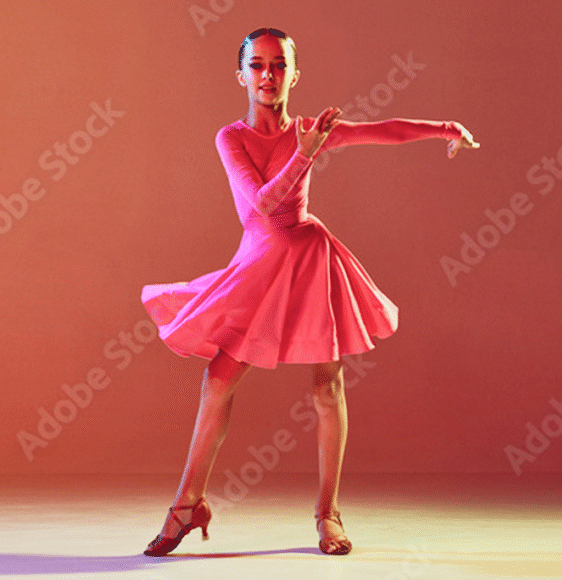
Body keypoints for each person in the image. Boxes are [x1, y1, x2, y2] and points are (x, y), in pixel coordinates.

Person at [140, 27, 480, 557]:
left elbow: (383, 131)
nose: (268, 75)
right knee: (219, 379)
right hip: (259, 264)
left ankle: (329, 515)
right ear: (241, 76)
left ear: (294, 75)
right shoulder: (231, 137)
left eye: (279, 65)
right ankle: (189, 504)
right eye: (257, 66)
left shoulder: (310, 129)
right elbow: (259, 207)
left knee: (328, 388)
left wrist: (445, 127)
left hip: (309, 260)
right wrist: (304, 154)